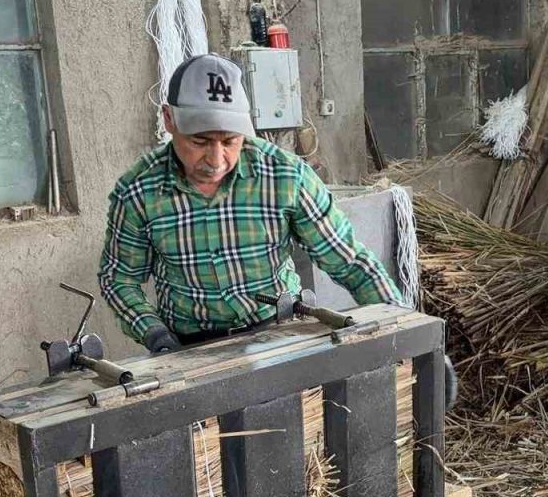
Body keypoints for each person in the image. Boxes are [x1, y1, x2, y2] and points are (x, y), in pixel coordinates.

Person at [98, 53, 406, 353]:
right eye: (200, 141)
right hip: (191, 348)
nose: (217, 160)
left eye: (230, 141)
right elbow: (119, 279)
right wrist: (153, 332)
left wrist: (407, 331)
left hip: (281, 334)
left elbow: (351, 263)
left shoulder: (285, 176)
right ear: (169, 119)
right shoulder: (139, 190)